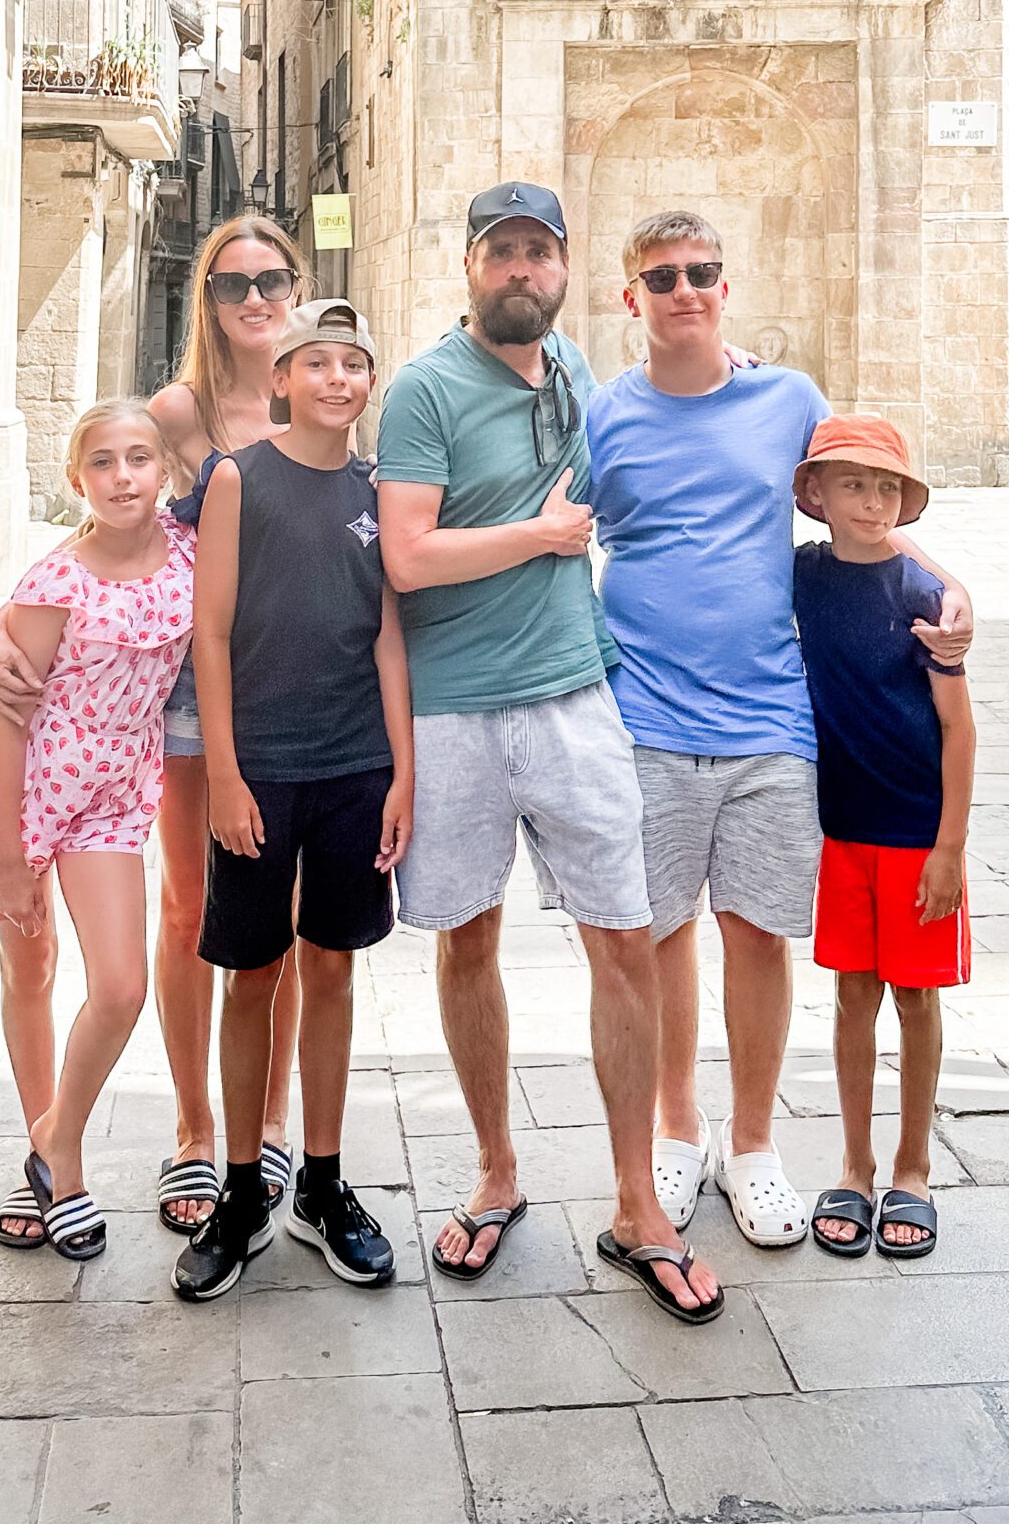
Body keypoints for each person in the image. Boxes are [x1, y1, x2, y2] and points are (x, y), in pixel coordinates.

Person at [588, 213, 974, 1250]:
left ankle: (753, 1143)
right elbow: (545, 522)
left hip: (767, 716)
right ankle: (680, 1125)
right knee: (660, 930)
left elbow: (867, 500)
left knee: (757, 932)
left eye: (701, 271)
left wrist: (947, 585)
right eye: (660, 275)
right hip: (646, 714)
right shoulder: (602, 415)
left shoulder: (788, 399)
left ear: (725, 283)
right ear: (631, 298)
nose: (684, 289)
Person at [377, 182, 721, 1325]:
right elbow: (410, 558)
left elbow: (673, 419)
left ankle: (638, 1203)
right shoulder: (425, 388)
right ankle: (496, 1172)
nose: (520, 270)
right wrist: (542, 534)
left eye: (539, 253)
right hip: (457, 707)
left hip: (574, 697)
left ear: (566, 269)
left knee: (624, 938)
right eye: (501, 253)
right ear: (470, 267)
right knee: (468, 940)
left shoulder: (575, 372)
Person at [0, 213, 309, 1237]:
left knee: (280, 926)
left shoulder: (323, 390)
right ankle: (195, 1129)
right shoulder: (180, 410)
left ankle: (270, 1117)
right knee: (185, 915)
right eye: (229, 282)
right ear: (207, 300)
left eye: (271, 278)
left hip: (292, 692)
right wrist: (3, 622)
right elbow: (104, 528)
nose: (252, 298)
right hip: (179, 699)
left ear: (295, 288)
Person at [173, 300, 413, 1300]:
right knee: (252, 975)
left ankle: (321, 1179)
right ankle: (240, 1188)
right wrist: (224, 773)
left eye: (352, 365)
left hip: (355, 762)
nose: (334, 380)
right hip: (261, 770)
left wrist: (404, 769)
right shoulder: (238, 478)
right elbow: (213, 633)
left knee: (333, 969)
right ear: (282, 379)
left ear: (367, 383)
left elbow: (389, 635)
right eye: (315, 363)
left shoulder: (378, 489)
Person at [0, 398, 194, 1262]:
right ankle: (58, 1172)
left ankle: (57, 1137)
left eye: (139, 460)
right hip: (31, 789)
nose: (124, 478)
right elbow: (9, 716)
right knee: (32, 963)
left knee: (120, 987)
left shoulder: (191, 558)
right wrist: (13, 860)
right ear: (77, 479)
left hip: (117, 791)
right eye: (104, 464)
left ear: (165, 469)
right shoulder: (55, 581)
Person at [794, 415, 976, 1265]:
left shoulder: (922, 598)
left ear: (905, 501)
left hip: (913, 830)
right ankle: (856, 1166)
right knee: (853, 996)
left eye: (885, 486)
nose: (870, 500)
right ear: (816, 496)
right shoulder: (800, 576)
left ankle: (915, 1167)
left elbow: (959, 728)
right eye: (852, 484)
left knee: (915, 998)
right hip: (844, 826)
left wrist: (950, 848)